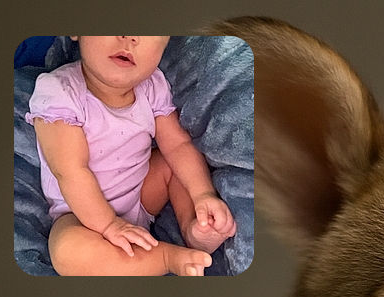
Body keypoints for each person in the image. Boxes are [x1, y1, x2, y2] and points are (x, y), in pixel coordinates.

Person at [26, 35, 236, 276]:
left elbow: (178, 146)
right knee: (68, 252)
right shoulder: (60, 91)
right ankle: (166, 257)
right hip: (80, 215)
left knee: (175, 161)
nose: (129, 37)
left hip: (140, 196)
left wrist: (203, 194)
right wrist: (109, 225)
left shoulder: (153, 85)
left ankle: (194, 226)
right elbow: (70, 171)